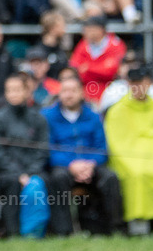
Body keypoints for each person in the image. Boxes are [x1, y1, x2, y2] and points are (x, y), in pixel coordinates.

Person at [42, 76, 124, 236]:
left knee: (110, 177)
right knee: (58, 177)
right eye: (64, 91)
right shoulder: (47, 116)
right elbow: (48, 150)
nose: (68, 95)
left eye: (73, 91)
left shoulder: (93, 116)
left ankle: (115, 229)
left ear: (82, 93)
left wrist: (89, 165)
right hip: (63, 167)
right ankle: (63, 231)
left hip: (91, 165)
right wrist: (72, 166)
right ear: (59, 94)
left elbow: (102, 148)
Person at [103, 65, 153, 230]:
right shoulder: (118, 111)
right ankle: (139, 225)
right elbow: (118, 143)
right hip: (132, 159)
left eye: (142, 82)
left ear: (150, 83)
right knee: (138, 174)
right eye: (133, 83)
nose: (138, 87)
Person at [0, 72, 50, 237]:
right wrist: (19, 174)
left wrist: (29, 173)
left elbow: (42, 150)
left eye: (17, 89)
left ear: (27, 91)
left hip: (34, 171)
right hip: (6, 172)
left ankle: (41, 231)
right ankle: (12, 231)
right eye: (9, 90)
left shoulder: (38, 119)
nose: (13, 94)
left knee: (43, 182)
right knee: (11, 183)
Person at [69, 15, 127, 104]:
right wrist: (99, 68)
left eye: (89, 29)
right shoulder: (83, 44)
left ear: (100, 29)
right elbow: (74, 68)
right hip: (85, 92)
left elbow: (111, 71)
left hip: (109, 90)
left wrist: (88, 68)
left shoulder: (116, 45)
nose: (85, 32)